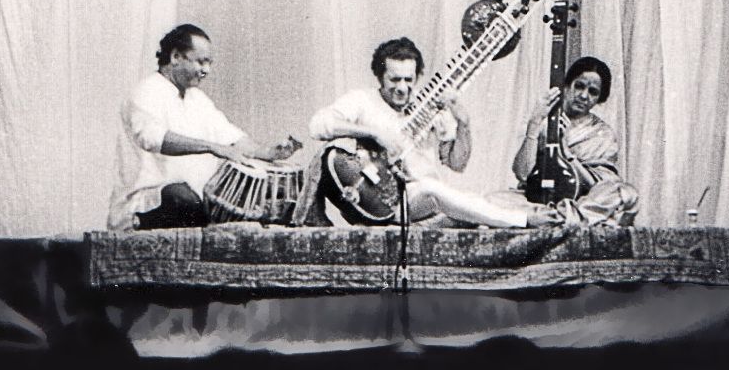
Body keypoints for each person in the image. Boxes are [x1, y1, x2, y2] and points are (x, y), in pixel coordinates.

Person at [307, 37, 560, 229]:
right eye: (394, 80)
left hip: (423, 203)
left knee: (485, 200)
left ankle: (518, 216)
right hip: (385, 201)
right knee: (433, 189)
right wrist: (374, 133)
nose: (402, 88)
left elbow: (457, 164)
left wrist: (463, 123)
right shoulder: (362, 100)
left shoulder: (429, 108)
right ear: (380, 76)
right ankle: (522, 221)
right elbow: (318, 125)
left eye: (408, 80)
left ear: (417, 77)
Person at [107, 24, 299, 231]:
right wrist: (212, 147)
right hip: (146, 204)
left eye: (209, 63)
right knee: (183, 199)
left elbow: (231, 138)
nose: (206, 70)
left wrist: (269, 152)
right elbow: (154, 139)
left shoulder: (198, 99)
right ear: (175, 57)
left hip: (194, 204)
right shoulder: (146, 92)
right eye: (201, 61)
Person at [507, 56, 638, 226]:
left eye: (593, 92)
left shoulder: (602, 133)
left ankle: (553, 218)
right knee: (495, 199)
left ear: (600, 98)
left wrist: (565, 151)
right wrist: (534, 124)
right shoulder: (543, 121)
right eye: (579, 86)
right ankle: (566, 219)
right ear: (567, 85)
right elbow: (522, 174)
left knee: (624, 193)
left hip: (581, 200)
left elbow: (597, 185)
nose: (584, 96)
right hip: (539, 198)